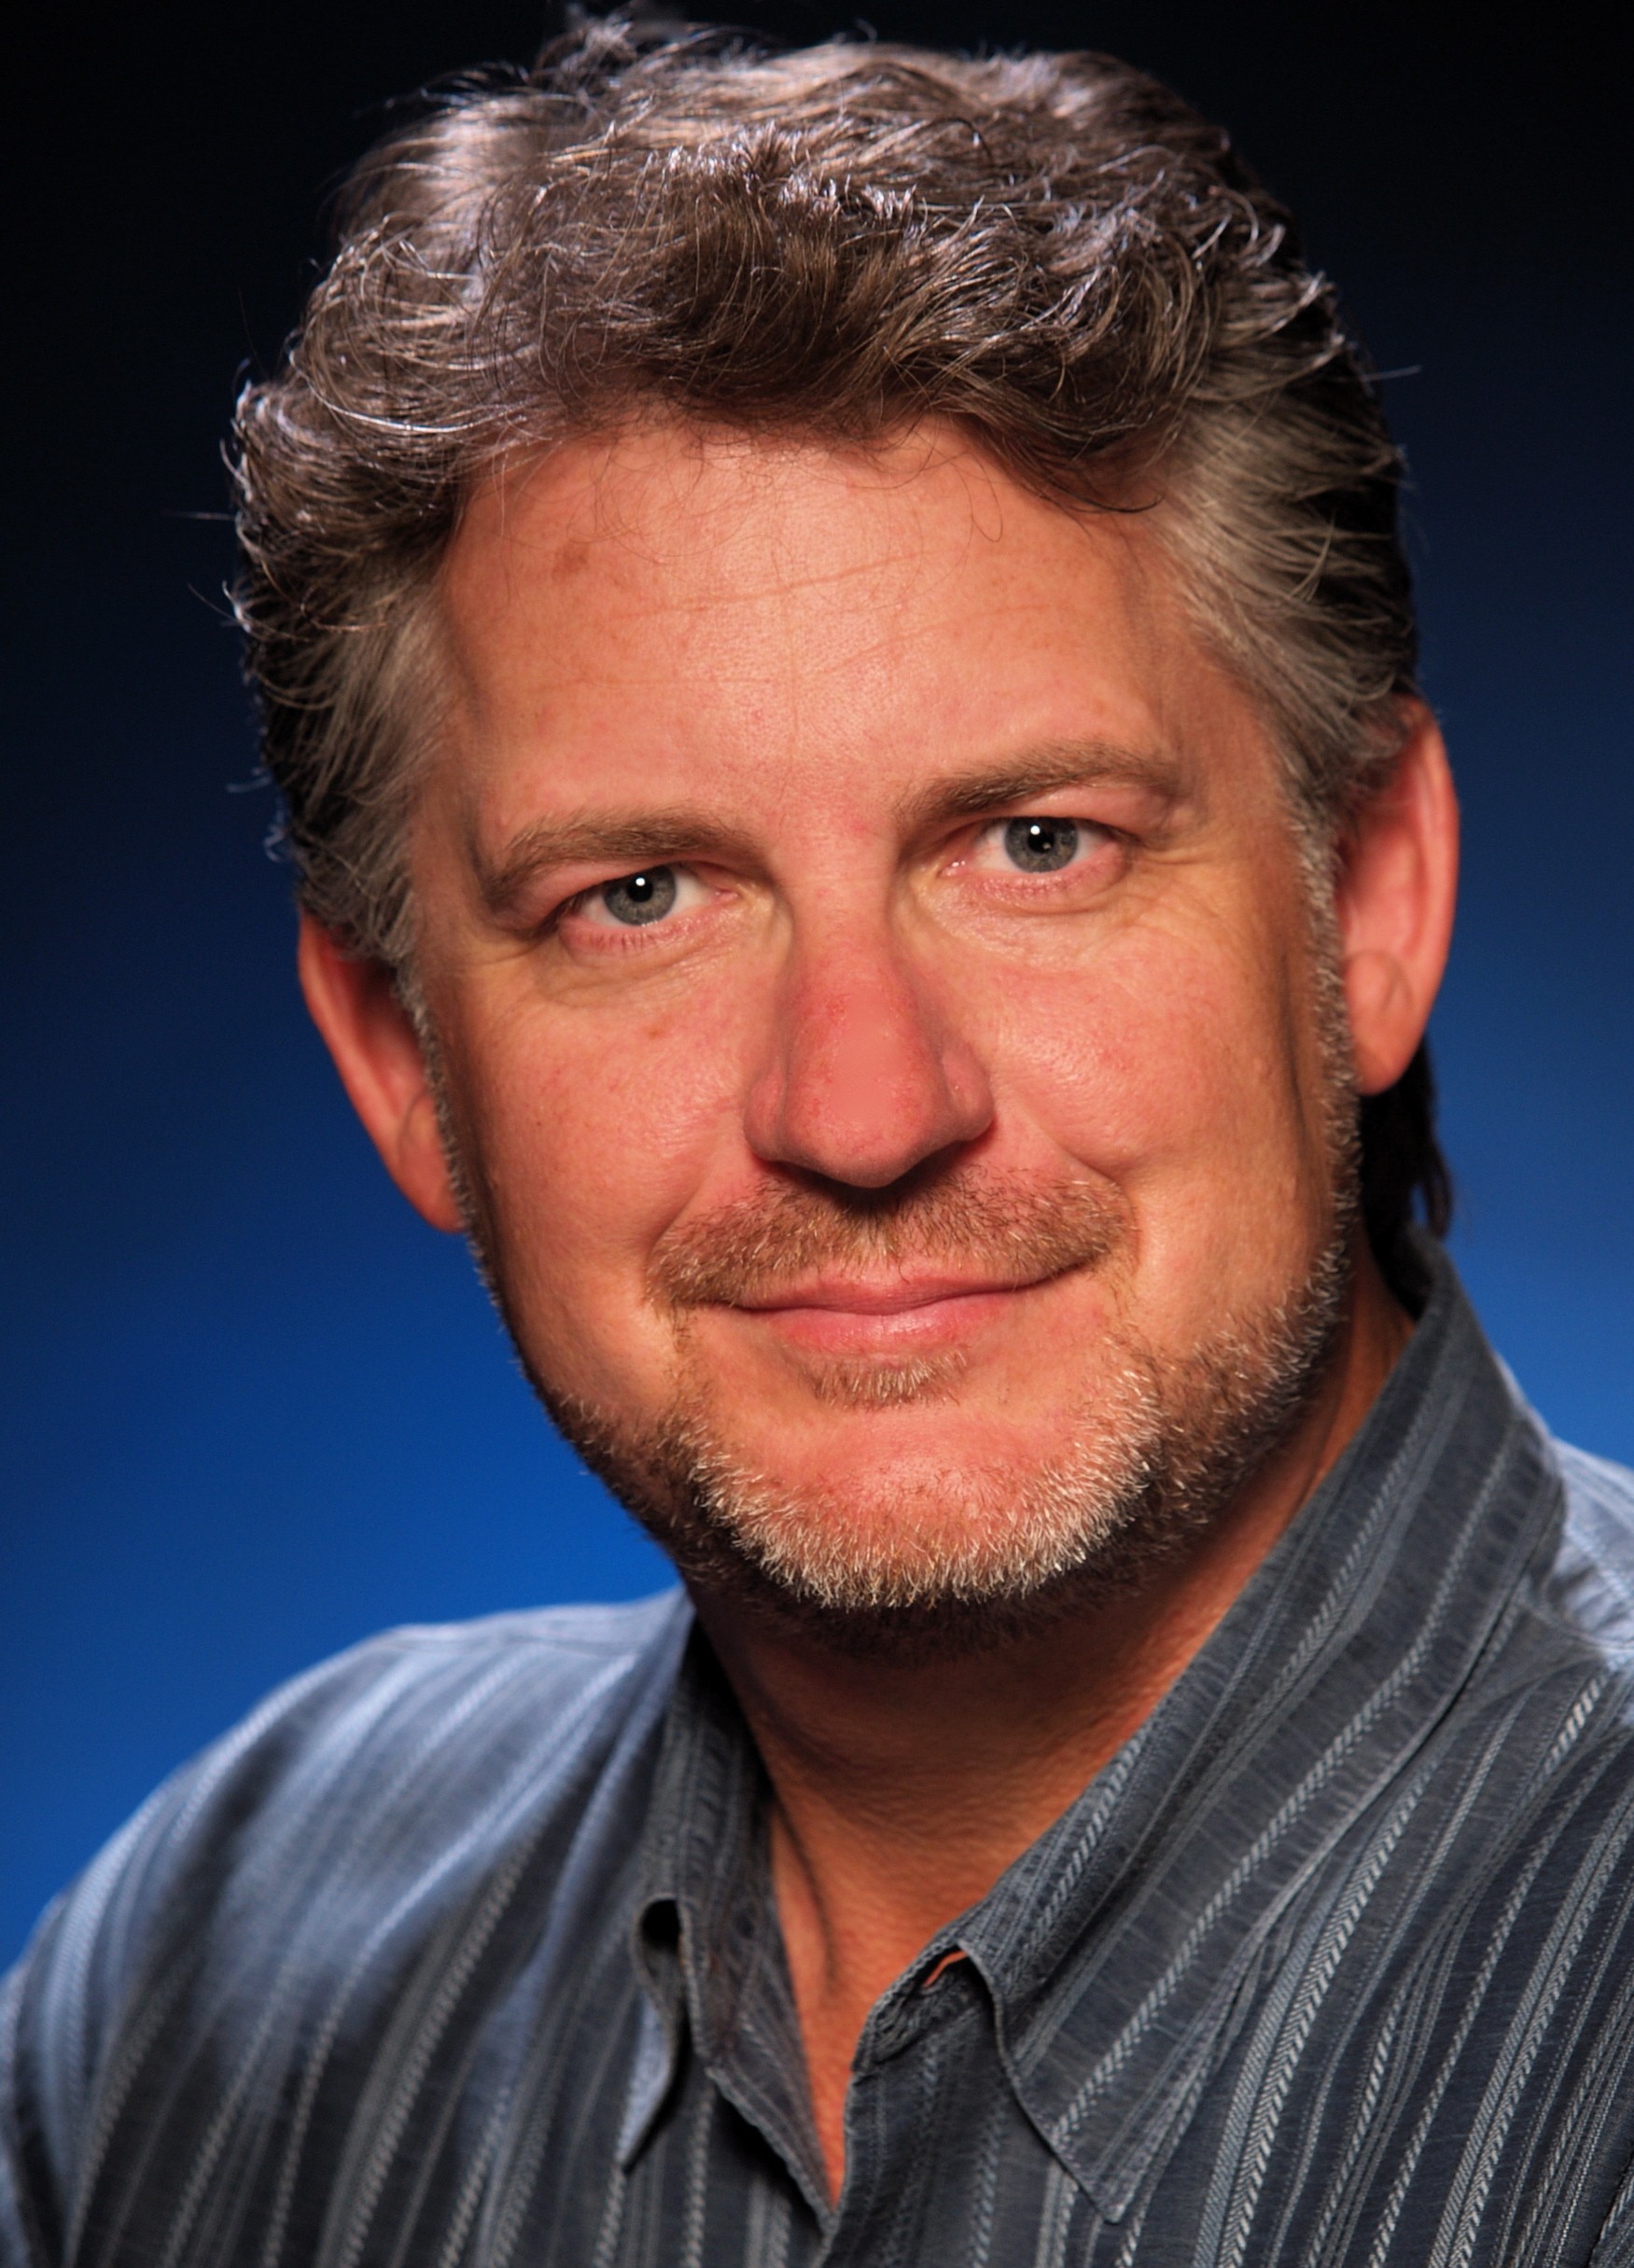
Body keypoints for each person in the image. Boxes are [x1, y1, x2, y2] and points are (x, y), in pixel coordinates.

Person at [6, 19, 1634, 2266]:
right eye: (640, 896)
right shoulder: (215, 1977)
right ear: (398, 1053)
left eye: (1037, 841)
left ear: (1368, 897)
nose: (864, 1109)